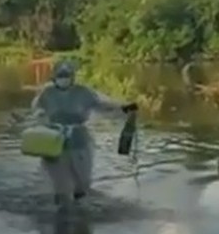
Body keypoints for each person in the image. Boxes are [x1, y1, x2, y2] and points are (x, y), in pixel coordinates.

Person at [28, 59, 137, 206]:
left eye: (67, 75)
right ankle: (60, 213)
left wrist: (123, 108)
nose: (64, 78)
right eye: (61, 74)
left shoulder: (83, 92)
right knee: (59, 184)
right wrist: (39, 116)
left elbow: (102, 106)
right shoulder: (47, 93)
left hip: (79, 141)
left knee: (82, 183)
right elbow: (36, 110)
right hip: (53, 141)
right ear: (54, 76)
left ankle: (80, 213)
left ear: (73, 76)